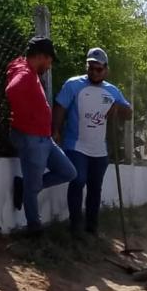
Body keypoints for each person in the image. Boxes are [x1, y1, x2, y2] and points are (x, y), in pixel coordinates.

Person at [53, 48, 132, 236]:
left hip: (99, 149)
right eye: (91, 68)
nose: (94, 72)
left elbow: (128, 113)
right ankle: (75, 226)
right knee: (78, 180)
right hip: (76, 145)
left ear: (106, 69)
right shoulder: (73, 85)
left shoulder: (112, 90)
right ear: (87, 67)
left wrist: (117, 107)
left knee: (95, 187)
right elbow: (60, 107)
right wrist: (55, 130)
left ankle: (92, 227)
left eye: (98, 69)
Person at [5, 36, 77, 234]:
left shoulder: (28, 70)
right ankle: (34, 230)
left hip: (43, 138)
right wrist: (26, 119)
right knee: (33, 187)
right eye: (50, 60)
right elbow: (12, 90)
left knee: (69, 172)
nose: (50, 65)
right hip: (32, 138)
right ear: (42, 56)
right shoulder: (25, 73)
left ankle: (27, 186)